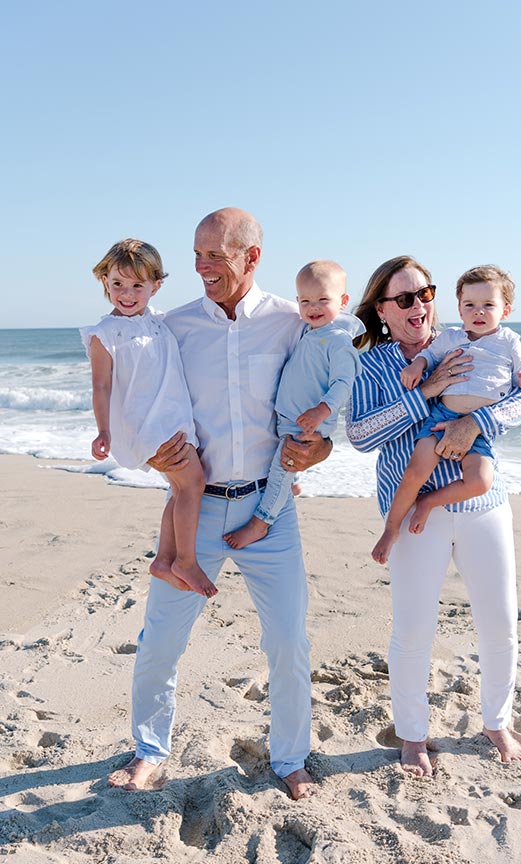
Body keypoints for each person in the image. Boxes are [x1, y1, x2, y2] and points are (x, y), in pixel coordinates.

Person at [107, 209, 330, 799]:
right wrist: (146, 452)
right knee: (161, 639)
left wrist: (321, 447)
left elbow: (326, 390)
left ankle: (289, 758)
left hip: (270, 511)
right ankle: (150, 750)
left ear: (251, 256)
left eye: (215, 255)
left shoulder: (293, 321)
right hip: (198, 509)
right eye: (197, 254)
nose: (201, 267)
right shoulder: (171, 326)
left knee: (288, 639)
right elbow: (135, 390)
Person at [347, 255, 521, 776]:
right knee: (414, 630)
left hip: (482, 507)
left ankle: (496, 721)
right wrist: (426, 394)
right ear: (382, 310)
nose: (419, 306)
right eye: (405, 298)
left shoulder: (468, 341)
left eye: (425, 294)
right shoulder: (371, 363)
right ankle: (412, 735)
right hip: (413, 516)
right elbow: (362, 436)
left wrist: (477, 422)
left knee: (500, 622)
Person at [372, 265, 521, 562]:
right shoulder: (449, 338)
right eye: (470, 305)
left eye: (489, 305)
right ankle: (391, 529)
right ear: (459, 309)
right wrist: (418, 371)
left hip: (478, 434)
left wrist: (477, 421)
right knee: (414, 473)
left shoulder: (509, 341)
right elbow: (428, 357)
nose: (479, 312)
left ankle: (428, 502)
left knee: (480, 481)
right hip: (440, 417)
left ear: (506, 310)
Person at [81, 239, 216, 598]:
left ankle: (165, 559)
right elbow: (101, 387)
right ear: (105, 283)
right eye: (118, 285)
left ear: (156, 285)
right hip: (146, 423)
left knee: (180, 488)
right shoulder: (104, 334)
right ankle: (185, 560)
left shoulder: (159, 321)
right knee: (193, 484)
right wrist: (103, 431)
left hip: (172, 415)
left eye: (137, 285)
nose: (127, 294)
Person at [225, 259, 364, 550]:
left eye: (323, 300)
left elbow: (344, 383)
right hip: (293, 418)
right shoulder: (310, 333)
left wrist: (322, 411)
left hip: (309, 422)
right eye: (305, 301)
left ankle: (260, 523)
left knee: (280, 470)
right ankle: (293, 482)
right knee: (285, 467)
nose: (313, 308)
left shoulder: (339, 341)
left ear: (344, 301)